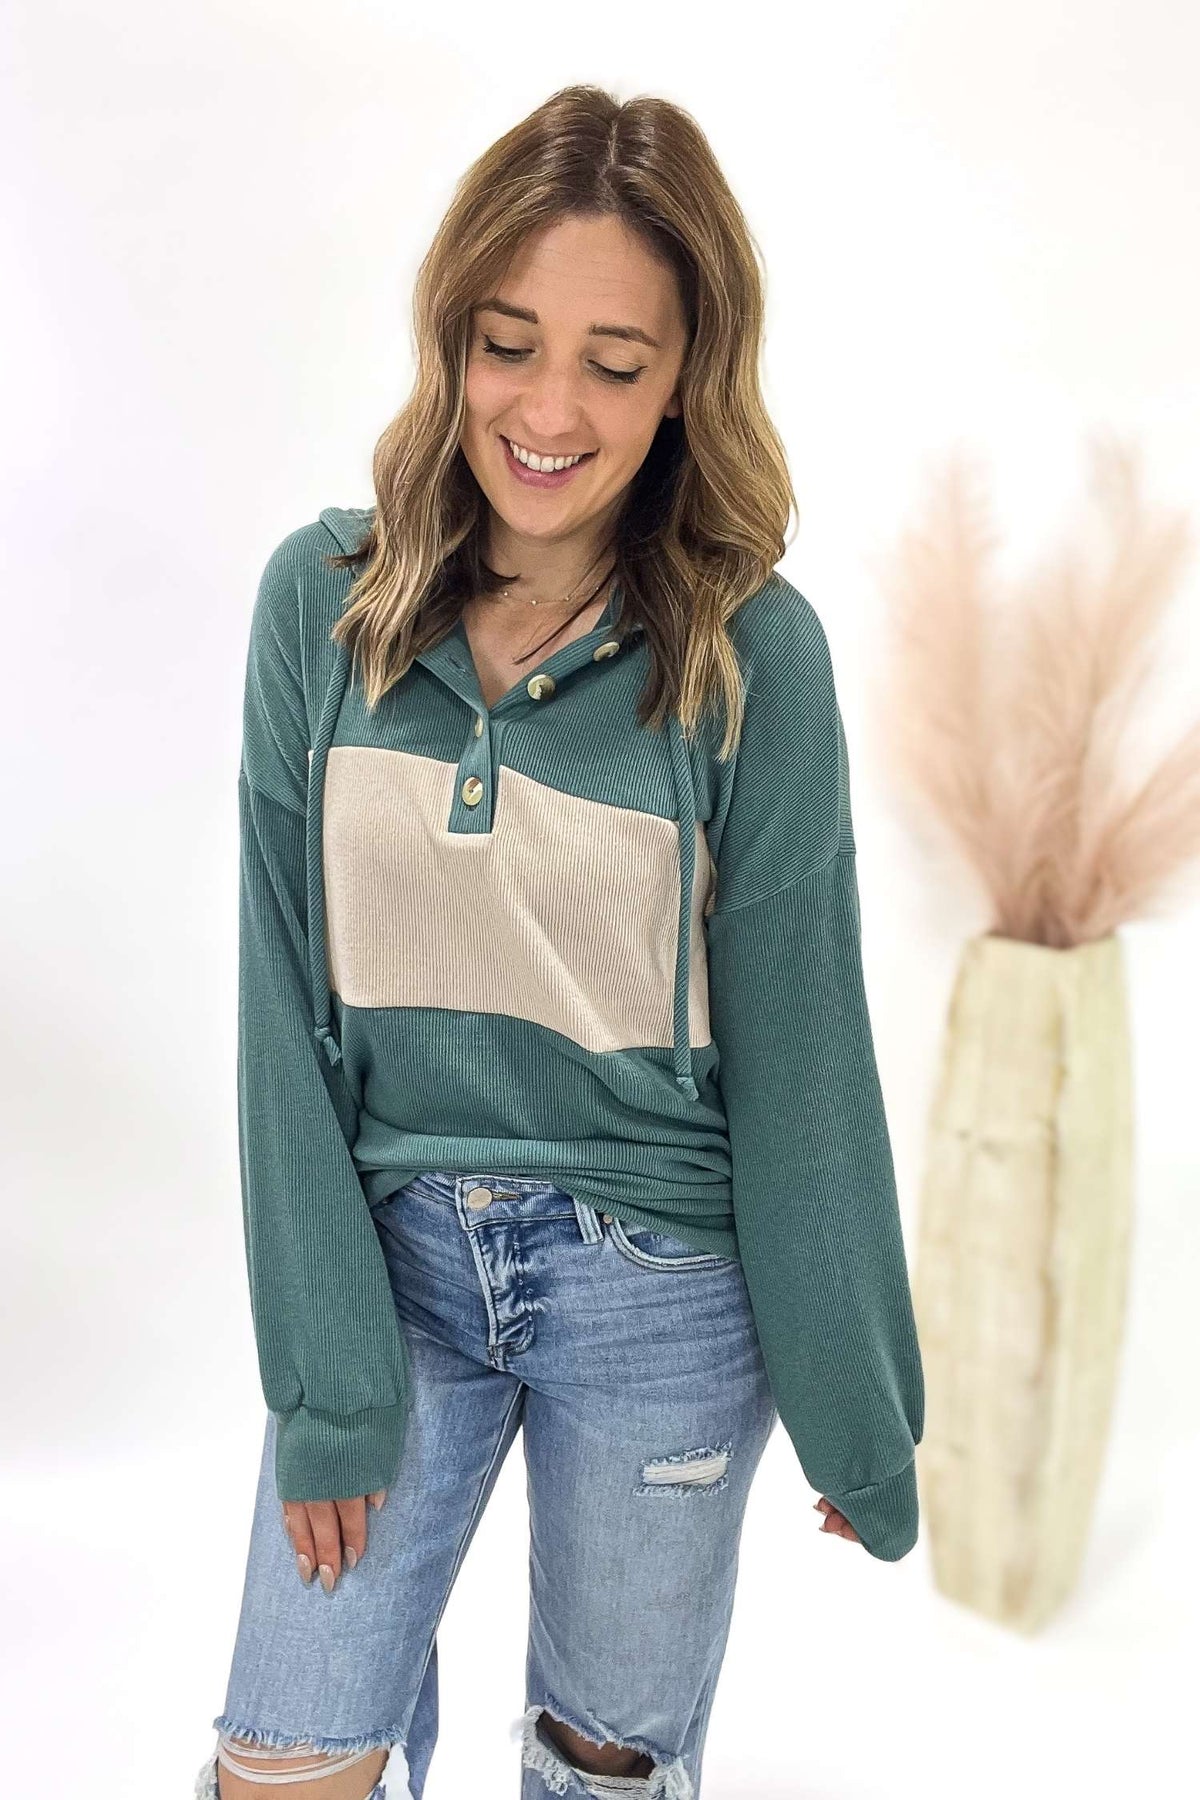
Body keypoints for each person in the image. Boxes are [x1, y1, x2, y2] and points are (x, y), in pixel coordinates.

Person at [195, 81, 924, 1800]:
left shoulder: (756, 660)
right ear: (450, 336)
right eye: (509, 343)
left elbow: (809, 1052)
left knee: (609, 1769)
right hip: (398, 1276)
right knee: (284, 1755)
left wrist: (857, 1397)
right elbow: (275, 1007)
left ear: (690, 378)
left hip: (664, 1295)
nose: (548, 408)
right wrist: (324, 1381)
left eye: (616, 359)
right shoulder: (329, 605)